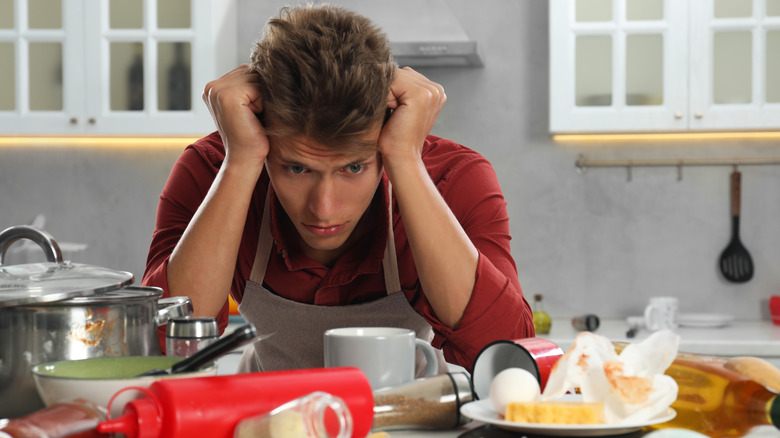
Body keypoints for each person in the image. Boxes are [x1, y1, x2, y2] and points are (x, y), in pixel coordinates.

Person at [142, 3, 533, 373]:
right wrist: (241, 161)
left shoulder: (454, 177)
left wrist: (405, 160)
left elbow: (508, 354)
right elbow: (163, 345)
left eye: (353, 166)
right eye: (296, 167)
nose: (324, 209)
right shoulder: (214, 169)